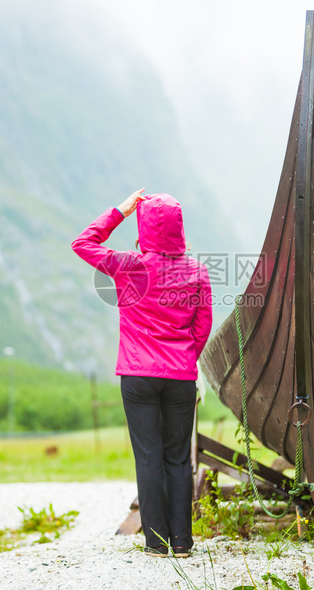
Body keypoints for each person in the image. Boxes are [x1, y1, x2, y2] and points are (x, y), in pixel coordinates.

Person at [71, 188, 212, 557]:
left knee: (149, 456)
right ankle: (182, 542)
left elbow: (83, 243)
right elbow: (202, 327)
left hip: (137, 377)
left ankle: (156, 543)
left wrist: (121, 209)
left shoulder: (129, 264)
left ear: (143, 227)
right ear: (179, 228)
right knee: (179, 458)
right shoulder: (197, 270)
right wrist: (183, 361)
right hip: (181, 376)